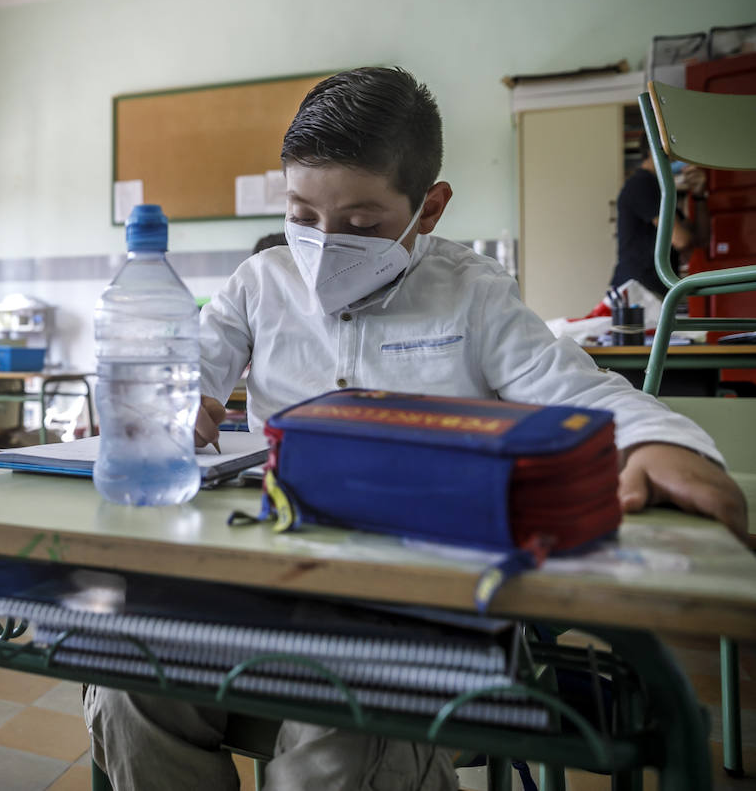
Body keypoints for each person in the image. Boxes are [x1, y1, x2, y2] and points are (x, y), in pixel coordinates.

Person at [84, 68, 746, 791]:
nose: (325, 245)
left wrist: (663, 442)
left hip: (414, 597)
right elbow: (183, 373)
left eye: (363, 225)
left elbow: (575, 390)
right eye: (303, 217)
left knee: (344, 739)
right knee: (126, 684)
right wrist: (171, 408)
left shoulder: (473, 294)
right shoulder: (260, 283)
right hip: (268, 571)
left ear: (428, 209)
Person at [609, 153, 709, 301]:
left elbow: (701, 239)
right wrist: (686, 235)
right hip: (638, 293)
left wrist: (699, 195)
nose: (678, 157)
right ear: (653, 150)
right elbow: (681, 240)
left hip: (648, 293)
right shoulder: (643, 183)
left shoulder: (661, 190)